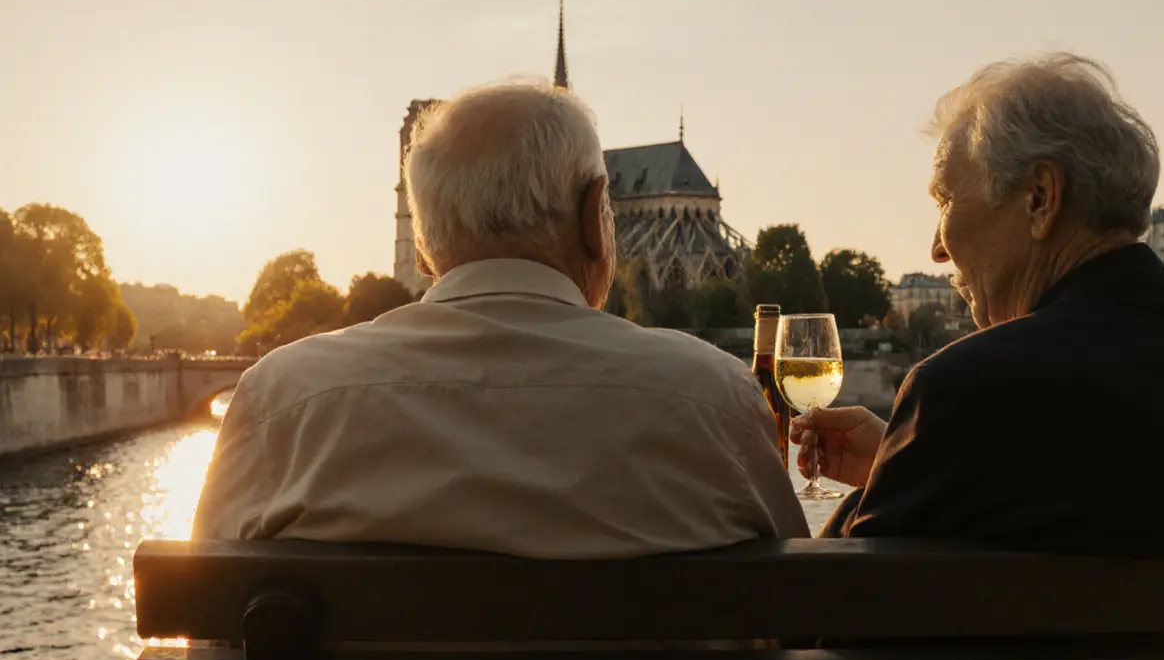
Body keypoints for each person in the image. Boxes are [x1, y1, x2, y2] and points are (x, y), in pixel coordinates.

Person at [192, 81, 807, 556]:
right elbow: (799, 608)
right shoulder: (717, 398)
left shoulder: (278, 401)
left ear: (427, 244)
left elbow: (206, 630)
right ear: (599, 214)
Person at [794, 52, 1164, 557]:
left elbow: (835, 610)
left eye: (944, 202)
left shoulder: (963, 394)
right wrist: (905, 460)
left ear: (1040, 197)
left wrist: (907, 466)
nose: (936, 250)